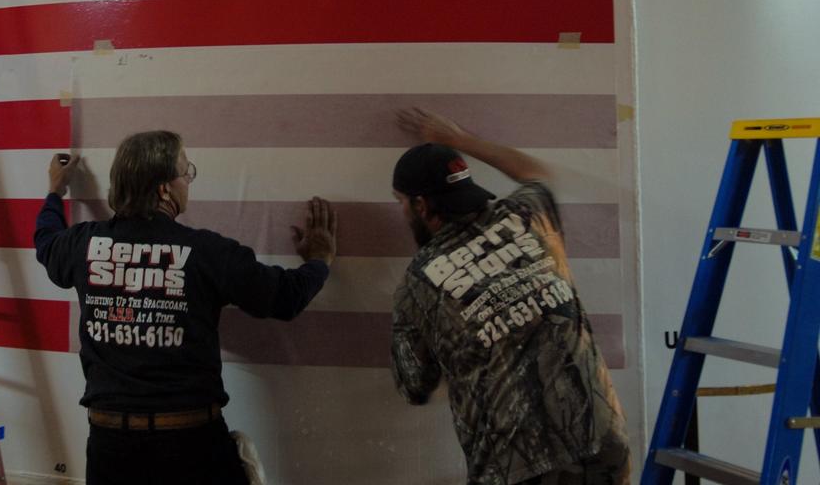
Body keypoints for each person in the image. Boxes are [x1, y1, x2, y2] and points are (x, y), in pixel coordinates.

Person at [34, 130, 337, 485]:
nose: (188, 180)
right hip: (190, 447)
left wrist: (55, 190)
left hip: (110, 450)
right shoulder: (207, 253)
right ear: (164, 188)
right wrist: (320, 259)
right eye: (185, 171)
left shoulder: (82, 245)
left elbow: (45, 240)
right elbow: (286, 298)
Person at [389, 107, 630, 485]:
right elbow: (534, 172)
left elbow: (417, 387)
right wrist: (459, 140)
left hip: (515, 469)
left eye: (400, 201)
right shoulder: (528, 214)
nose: (401, 210)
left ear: (421, 205)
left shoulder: (418, 283)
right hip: (600, 443)